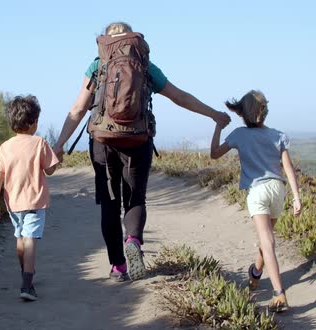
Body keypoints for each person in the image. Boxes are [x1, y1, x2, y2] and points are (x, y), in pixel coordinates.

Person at [53, 22, 231, 282]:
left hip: (103, 141)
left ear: (105, 42)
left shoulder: (97, 65)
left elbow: (79, 108)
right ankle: (133, 240)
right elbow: (179, 96)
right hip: (138, 138)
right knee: (136, 197)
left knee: (110, 204)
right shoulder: (145, 65)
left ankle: (118, 267)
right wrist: (213, 114)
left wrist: (59, 144)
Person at [210, 90, 301, 312]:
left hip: (258, 191)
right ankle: (255, 274)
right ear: (265, 112)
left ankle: (279, 294)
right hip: (278, 190)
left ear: (242, 113)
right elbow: (288, 168)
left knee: (267, 242)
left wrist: (218, 127)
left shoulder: (239, 134)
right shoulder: (278, 135)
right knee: (266, 239)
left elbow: (214, 154)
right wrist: (297, 197)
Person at [0, 95, 60, 301]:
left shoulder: (5, 147)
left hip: (12, 203)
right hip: (34, 202)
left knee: (20, 238)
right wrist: (58, 157)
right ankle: (27, 285)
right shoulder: (39, 143)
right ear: (33, 123)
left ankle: (25, 273)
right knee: (30, 240)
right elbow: (50, 170)